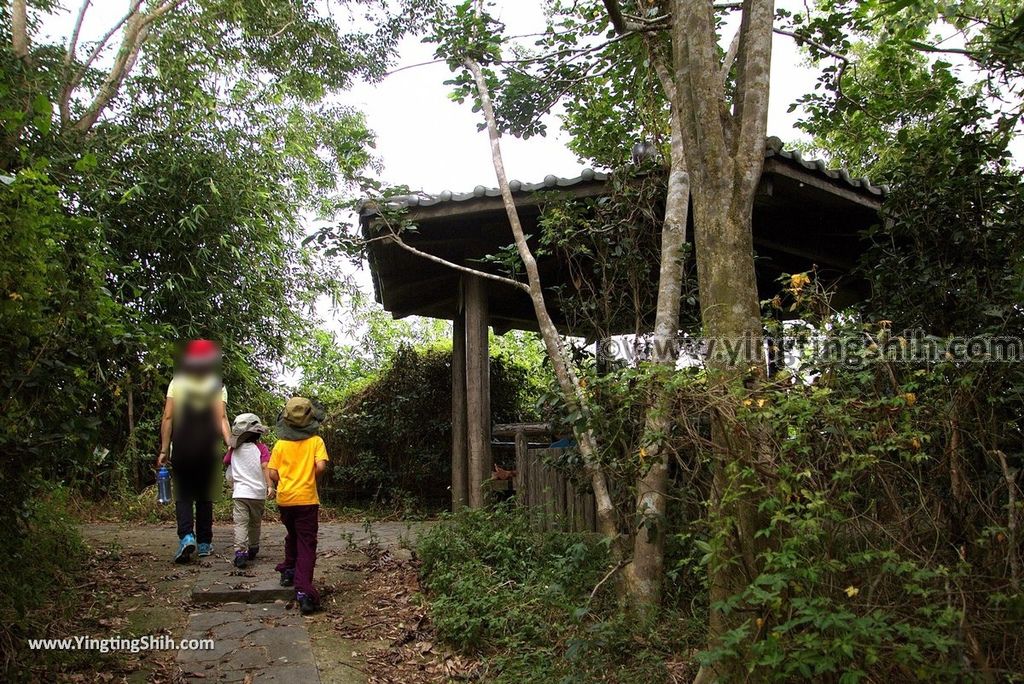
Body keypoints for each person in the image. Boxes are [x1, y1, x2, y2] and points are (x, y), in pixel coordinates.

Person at [156, 340, 231, 563]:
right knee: (205, 495)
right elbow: (222, 418)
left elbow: (168, 417)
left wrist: (163, 450)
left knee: (184, 494)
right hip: (208, 447)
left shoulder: (177, 382)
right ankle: (205, 543)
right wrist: (230, 445)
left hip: (183, 446)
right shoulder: (217, 385)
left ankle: (187, 536)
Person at [268, 397, 329, 615]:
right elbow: (321, 466)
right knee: (306, 543)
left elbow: (273, 472)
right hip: (306, 499)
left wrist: (283, 481)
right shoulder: (316, 442)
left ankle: (289, 570)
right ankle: (304, 591)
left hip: (285, 499)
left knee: (292, 534)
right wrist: (311, 477)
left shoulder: (280, 444)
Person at [224, 413, 272, 568]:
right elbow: (266, 467)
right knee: (255, 523)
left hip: (240, 494)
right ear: (258, 433)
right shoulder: (262, 449)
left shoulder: (233, 450)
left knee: (241, 524)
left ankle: (240, 552)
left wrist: (231, 448)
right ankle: (253, 546)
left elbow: (226, 462)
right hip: (258, 494)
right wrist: (270, 485)